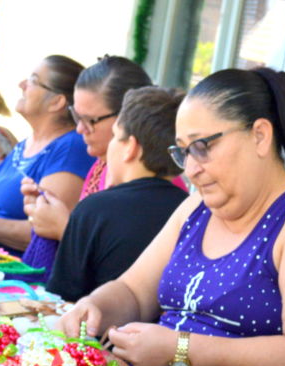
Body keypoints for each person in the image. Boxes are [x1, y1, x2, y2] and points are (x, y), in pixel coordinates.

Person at [58, 67, 285, 366]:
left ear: (259, 136)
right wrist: (95, 306)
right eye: (182, 152)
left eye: (202, 147)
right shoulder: (197, 206)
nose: (190, 169)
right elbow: (133, 291)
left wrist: (180, 348)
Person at [0, 56, 95, 269]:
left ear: (57, 101)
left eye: (33, 81)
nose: (22, 85)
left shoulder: (71, 147)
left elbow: (44, 229)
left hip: (18, 274)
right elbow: (2, 203)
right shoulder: (28, 142)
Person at [46, 87, 187, 303]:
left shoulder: (95, 209)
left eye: (115, 135)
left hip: (96, 332)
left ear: (130, 147)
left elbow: (63, 300)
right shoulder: (190, 210)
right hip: (166, 334)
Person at [21, 55, 154, 275]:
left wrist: (64, 229)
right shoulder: (100, 166)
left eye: (90, 120)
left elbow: (131, 277)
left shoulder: (154, 182)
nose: (80, 129)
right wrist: (46, 208)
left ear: (128, 120)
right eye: (76, 117)